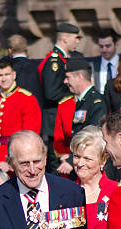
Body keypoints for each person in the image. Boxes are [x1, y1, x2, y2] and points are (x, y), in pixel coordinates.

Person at [38, 23, 81, 173]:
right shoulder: (54, 61)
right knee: (57, 167)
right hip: (54, 122)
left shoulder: (62, 58)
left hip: (61, 120)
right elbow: (51, 92)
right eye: (76, 38)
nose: (78, 41)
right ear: (65, 38)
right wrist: (73, 95)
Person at [56, 57, 107, 177]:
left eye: (68, 77)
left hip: (90, 166)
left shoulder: (95, 102)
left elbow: (92, 137)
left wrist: (71, 161)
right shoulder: (82, 101)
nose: (65, 81)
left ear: (80, 77)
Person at [7, 34, 43, 107]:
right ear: (26, 50)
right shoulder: (40, 65)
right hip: (38, 110)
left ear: (10, 50)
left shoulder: (7, 69)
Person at [90, 29, 120, 95]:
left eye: (108, 46)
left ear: (116, 44)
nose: (104, 50)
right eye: (101, 46)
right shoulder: (92, 65)